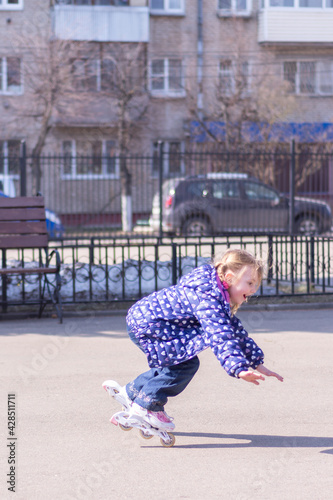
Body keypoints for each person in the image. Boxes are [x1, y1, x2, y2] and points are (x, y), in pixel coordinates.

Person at [103, 248, 283, 431]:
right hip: (150, 325)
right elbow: (221, 336)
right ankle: (146, 406)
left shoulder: (214, 292)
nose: (254, 290)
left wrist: (257, 362)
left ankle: (131, 392)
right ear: (229, 278)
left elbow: (234, 331)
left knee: (175, 363)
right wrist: (239, 369)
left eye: (256, 284)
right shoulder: (208, 299)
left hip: (145, 321)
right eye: (250, 283)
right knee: (185, 365)